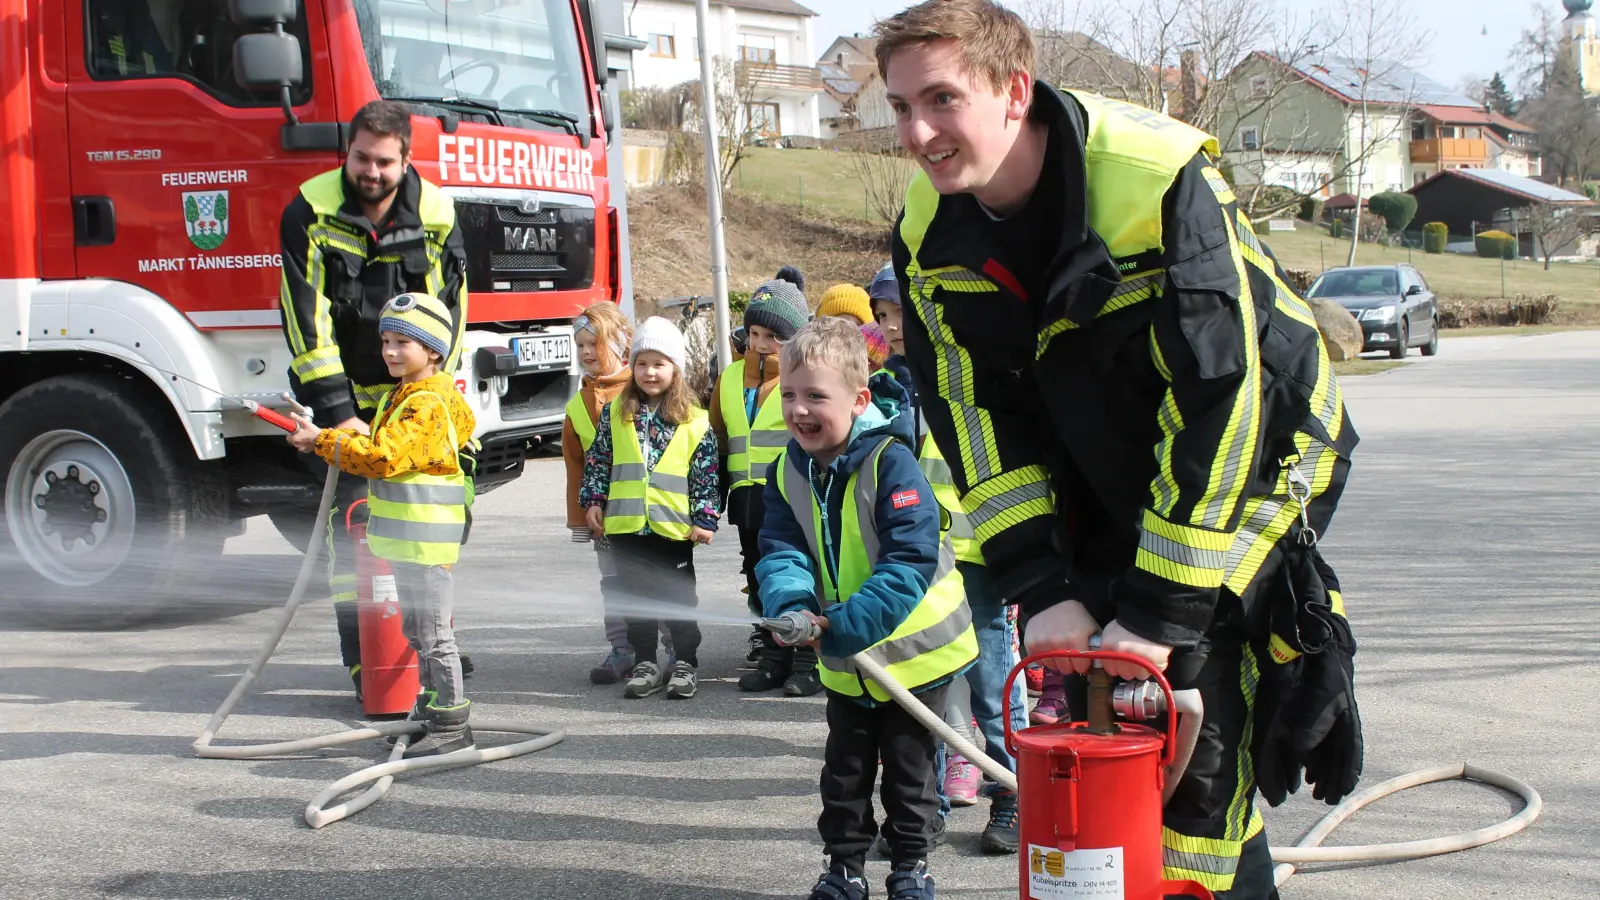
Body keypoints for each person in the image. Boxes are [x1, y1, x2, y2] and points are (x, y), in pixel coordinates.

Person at [876, 1, 1363, 896]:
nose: (917, 132)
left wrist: (1157, 617)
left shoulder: (1154, 180)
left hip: (1256, 456)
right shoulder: (926, 229)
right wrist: (1044, 590)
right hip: (1100, 477)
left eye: (941, 99)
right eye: (900, 106)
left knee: (1191, 732)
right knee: (1089, 728)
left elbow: (1222, 402)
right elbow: (973, 420)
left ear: (1014, 90)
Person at [756, 318, 978, 900]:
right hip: (846, 661)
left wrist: (842, 625)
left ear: (859, 400)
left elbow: (909, 561)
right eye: (789, 395)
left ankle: (910, 870)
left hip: (913, 659)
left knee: (910, 776)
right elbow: (781, 549)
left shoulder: (892, 463)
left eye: (815, 396)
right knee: (845, 773)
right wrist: (792, 606)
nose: (798, 409)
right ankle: (844, 870)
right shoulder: (787, 471)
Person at [279, 100, 469, 700]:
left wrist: (431, 398)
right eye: (361, 157)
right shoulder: (310, 208)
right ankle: (368, 657)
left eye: (385, 161)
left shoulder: (436, 212)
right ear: (348, 152)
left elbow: (449, 313)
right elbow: (305, 319)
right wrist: (340, 414)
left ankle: (433, 648)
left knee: (434, 530)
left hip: (414, 402)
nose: (371, 171)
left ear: (405, 158)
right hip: (347, 402)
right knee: (354, 536)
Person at [868, 275, 1025, 856]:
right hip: (917, 563)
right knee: (922, 682)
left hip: (978, 558)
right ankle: (924, 808)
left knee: (991, 686)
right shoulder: (885, 387)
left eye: (897, 314)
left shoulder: (970, 375)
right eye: (880, 315)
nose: (887, 327)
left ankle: (1012, 793)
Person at [284, 293, 477, 758]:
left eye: (403, 342)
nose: (390, 351)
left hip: (426, 545)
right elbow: (386, 442)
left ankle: (452, 725)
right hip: (408, 544)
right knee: (417, 632)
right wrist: (335, 436)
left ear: (432, 350)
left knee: (434, 637)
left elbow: (386, 457)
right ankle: (429, 713)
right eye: (386, 340)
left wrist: (324, 441)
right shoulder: (404, 395)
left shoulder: (426, 403)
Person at [580, 317, 720, 700]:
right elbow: (599, 460)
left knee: (678, 601)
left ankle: (685, 663)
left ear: (675, 369)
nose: (649, 372)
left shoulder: (695, 421)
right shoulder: (615, 414)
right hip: (625, 528)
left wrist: (705, 518)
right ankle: (645, 662)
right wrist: (593, 500)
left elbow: (705, 473)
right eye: (641, 363)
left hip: (673, 531)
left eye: (659, 364)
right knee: (635, 600)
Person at [710, 279, 816, 695]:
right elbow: (717, 441)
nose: (761, 344)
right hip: (747, 502)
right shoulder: (730, 378)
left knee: (803, 575)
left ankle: (808, 660)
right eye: (754, 333)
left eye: (773, 336)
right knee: (760, 578)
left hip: (796, 499)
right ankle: (775, 655)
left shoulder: (801, 378)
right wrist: (711, 501)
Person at [562, 303, 674, 684]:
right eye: (580, 345)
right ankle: (622, 650)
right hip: (606, 519)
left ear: (622, 342)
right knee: (615, 585)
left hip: (651, 515)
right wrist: (582, 519)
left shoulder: (642, 387)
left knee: (659, 581)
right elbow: (575, 464)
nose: (587, 352)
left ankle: (676, 649)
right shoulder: (578, 404)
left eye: (596, 342)